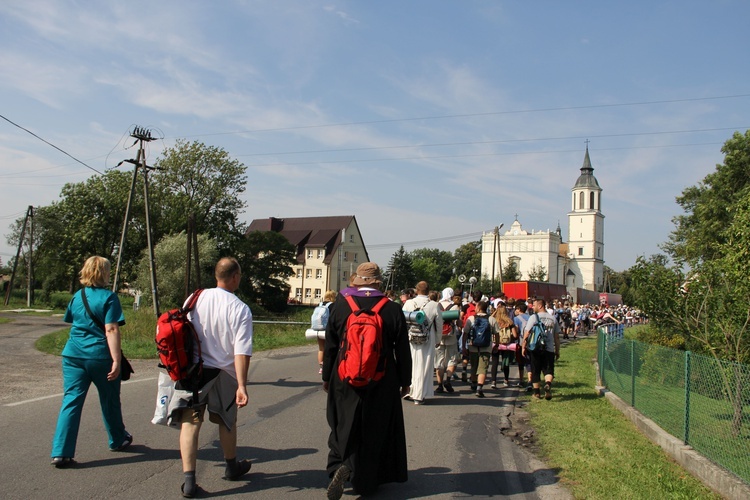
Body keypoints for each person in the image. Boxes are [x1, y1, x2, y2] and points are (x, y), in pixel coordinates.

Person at [323, 262, 411, 499]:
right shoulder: (391, 308)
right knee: (375, 426)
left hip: (344, 376)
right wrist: (405, 380)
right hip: (382, 377)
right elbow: (402, 348)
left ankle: (340, 465)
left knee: (341, 422)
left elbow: (331, 346)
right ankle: (366, 480)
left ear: (357, 281)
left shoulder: (340, 305)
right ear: (378, 282)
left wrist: (326, 377)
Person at [171, 257, 254, 498]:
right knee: (226, 421)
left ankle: (189, 481)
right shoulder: (240, 308)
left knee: (190, 423)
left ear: (217, 275)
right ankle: (231, 467)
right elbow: (241, 351)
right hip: (224, 374)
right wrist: (242, 385)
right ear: (235, 277)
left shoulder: (194, 298)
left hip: (193, 373)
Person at [50, 256, 131, 468]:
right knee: (109, 398)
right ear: (104, 273)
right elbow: (111, 329)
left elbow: (71, 320)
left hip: (73, 355)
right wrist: (116, 360)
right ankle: (117, 439)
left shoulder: (77, 296)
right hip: (99, 356)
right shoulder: (109, 297)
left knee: (71, 401)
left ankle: (61, 452)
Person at [402, 281, 442, 404]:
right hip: (427, 337)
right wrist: (438, 339)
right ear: (428, 290)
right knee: (425, 365)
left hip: (411, 336)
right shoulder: (434, 305)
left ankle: (411, 390)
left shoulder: (409, 303)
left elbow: (402, 320)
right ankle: (420, 395)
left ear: (416, 290)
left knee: (412, 364)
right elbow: (439, 323)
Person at [521, 298, 561, 401]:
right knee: (548, 370)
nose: (532, 307)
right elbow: (556, 337)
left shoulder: (534, 318)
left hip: (535, 348)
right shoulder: (553, 319)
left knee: (535, 370)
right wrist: (557, 350)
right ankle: (548, 384)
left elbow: (527, 332)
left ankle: (537, 393)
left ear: (540, 306)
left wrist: (523, 346)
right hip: (549, 349)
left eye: (534, 305)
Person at [462, 300, 498, 398]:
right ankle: (479, 387)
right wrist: (496, 345)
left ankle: (473, 383)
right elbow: (496, 333)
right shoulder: (491, 319)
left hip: (472, 346)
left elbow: (465, 333)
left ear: (478, 308)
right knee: (483, 368)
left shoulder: (471, 318)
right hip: (486, 347)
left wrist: (463, 346)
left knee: (473, 366)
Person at [435, 287, 459, 394]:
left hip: (439, 336)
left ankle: (439, 385)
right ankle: (448, 380)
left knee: (439, 361)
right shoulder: (455, 306)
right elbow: (458, 322)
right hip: (451, 336)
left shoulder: (437, 305)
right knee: (452, 359)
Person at [490, 305, 518, 388]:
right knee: (505, 362)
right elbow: (515, 335)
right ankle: (506, 380)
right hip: (506, 344)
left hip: (495, 343)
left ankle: (493, 381)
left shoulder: (494, 321)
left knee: (495, 362)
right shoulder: (509, 322)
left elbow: (489, 320)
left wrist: (494, 312)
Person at [313, 290, 337, 374]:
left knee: (321, 348)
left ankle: (321, 367)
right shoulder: (333, 305)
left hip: (318, 329)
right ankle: (328, 366)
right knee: (329, 348)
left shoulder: (319, 305)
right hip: (328, 329)